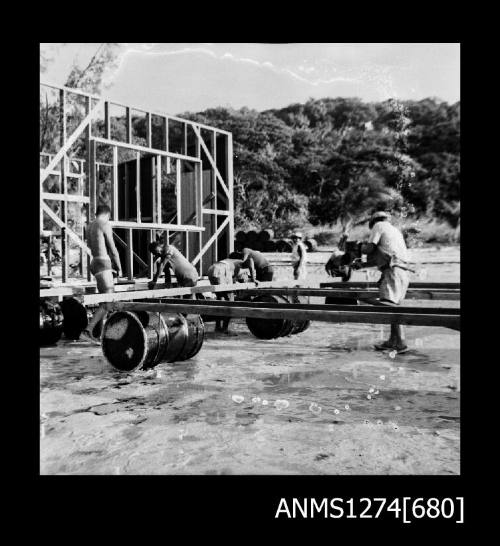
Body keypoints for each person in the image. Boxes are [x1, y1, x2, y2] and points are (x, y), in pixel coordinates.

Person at [359, 211, 412, 353]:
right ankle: (394, 340)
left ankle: (400, 342)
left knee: (390, 306)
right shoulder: (395, 231)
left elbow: (369, 249)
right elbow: (380, 258)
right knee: (393, 307)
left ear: (374, 221)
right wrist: (361, 265)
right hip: (402, 272)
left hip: (393, 272)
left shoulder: (379, 225)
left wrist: (359, 247)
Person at [80, 205, 122, 344]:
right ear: (107, 214)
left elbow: (93, 246)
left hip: (95, 263)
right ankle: (88, 331)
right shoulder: (104, 223)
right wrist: (119, 267)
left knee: (104, 301)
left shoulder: (90, 225)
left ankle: (100, 334)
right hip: (104, 263)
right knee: (109, 301)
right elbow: (113, 248)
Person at [207, 258, 245, 334]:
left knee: (220, 300)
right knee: (230, 302)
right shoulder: (240, 263)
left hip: (211, 269)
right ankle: (224, 328)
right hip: (222, 269)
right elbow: (234, 281)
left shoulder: (230, 261)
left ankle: (218, 327)